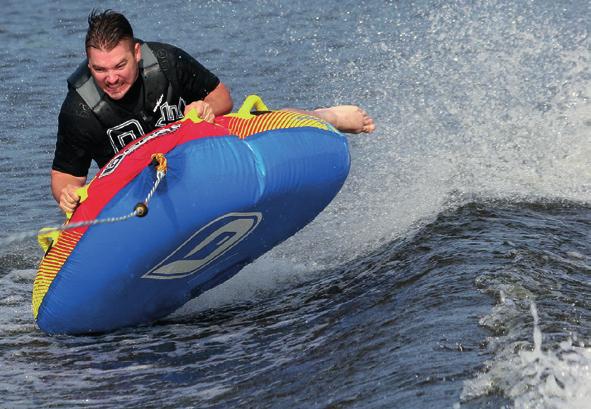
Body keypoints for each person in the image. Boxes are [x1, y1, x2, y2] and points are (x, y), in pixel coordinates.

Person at [52, 9, 375, 214]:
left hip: (202, 156)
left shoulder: (165, 63)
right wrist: (67, 195)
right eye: (100, 69)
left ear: (136, 53)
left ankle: (326, 116)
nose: (111, 78)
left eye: (120, 65)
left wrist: (205, 107)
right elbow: (65, 179)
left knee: (259, 118)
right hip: (138, 190)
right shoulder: (79, 109)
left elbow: (222, 98)